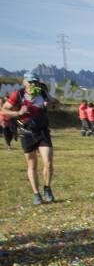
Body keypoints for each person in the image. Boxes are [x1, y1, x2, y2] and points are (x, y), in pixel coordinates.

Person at [1, 72, 57, 204]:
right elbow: (3, 110)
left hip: (43, 131)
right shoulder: (17, 95)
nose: (33, 84)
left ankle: (47, 188)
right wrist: (18, 112)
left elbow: (57, 103)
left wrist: (50, 105)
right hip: (26, 132)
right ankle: (36, 194)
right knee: (32, 164)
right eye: (30, 82)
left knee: (48, 162)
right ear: (24, 82)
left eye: (35, 82)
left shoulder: (43, 93)